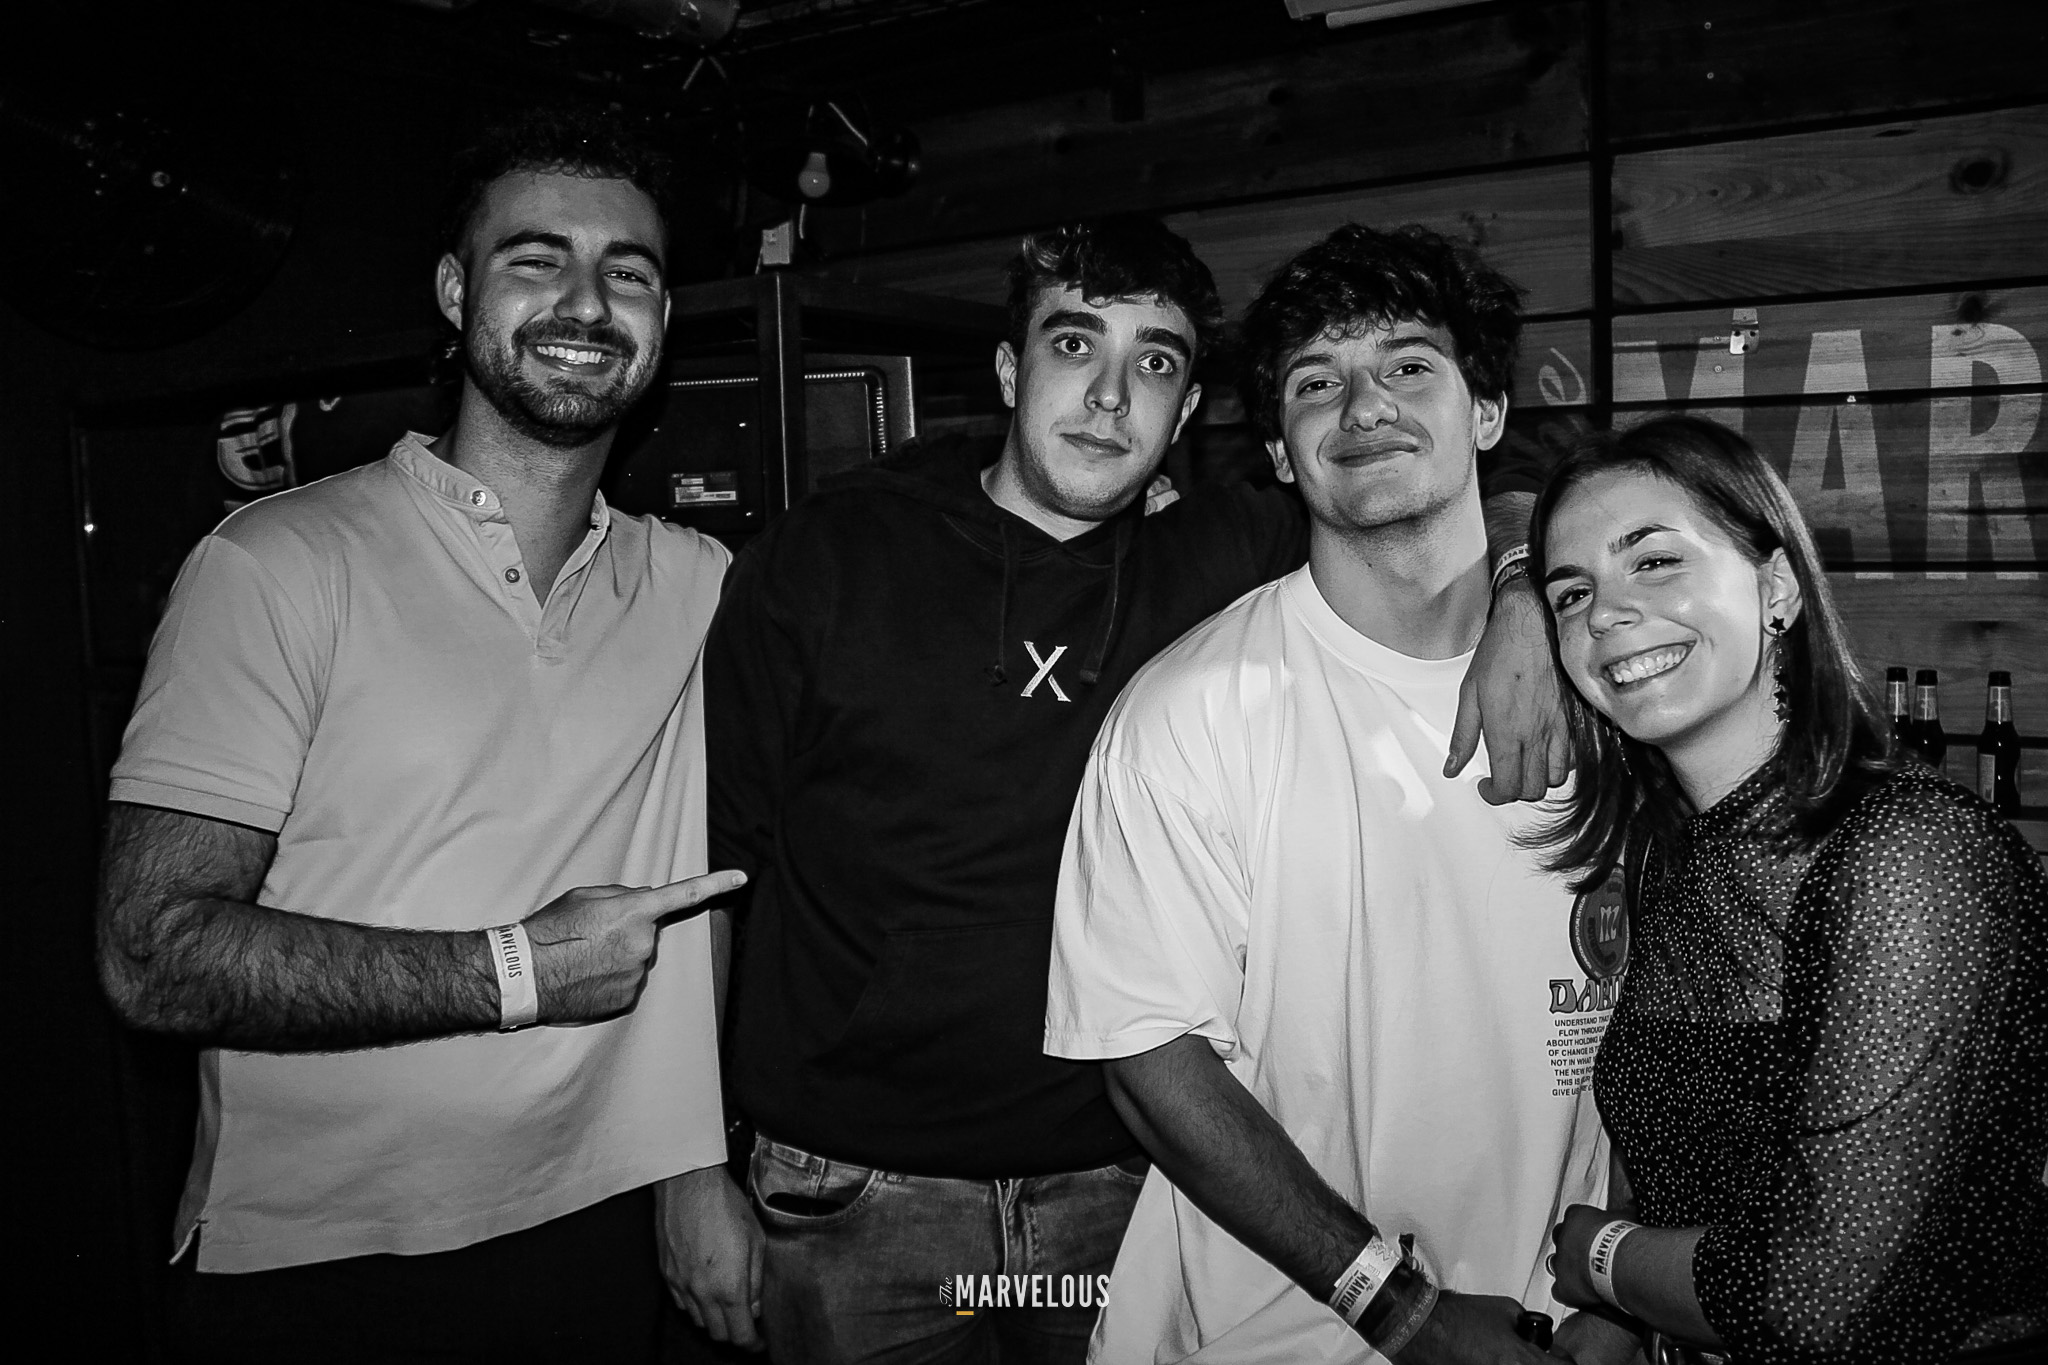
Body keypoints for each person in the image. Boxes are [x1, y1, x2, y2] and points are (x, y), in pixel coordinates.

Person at [705, 216, 1568, 1364]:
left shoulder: (1218, 550)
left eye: (1152, 362)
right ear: (1008, 368)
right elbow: (709, 871)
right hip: (852, 1197)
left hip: (1116, 1194)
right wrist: (684, 1168)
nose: (1109, 397)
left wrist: (1527, 593)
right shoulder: (827, 557)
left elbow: (1469, 478)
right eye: (1073, 346)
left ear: (1188, 408)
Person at [94, 108, 755, 1364]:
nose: (586, 301)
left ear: (664, 321)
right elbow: (152, 951)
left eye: (627, 273)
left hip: (599, 1235)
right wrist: (516, 971)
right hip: (322, 1261)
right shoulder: (275, 565)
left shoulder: (698, 585)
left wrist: (692, 1164)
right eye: (535, 259)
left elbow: (707, 883)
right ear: (456, 294)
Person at [1042, 222, 1629, 1365]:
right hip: (1277, 1338)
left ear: (1487, 414)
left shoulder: (1613, 687)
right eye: (1317, 383)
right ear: (1276, 450)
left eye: (1408, 365)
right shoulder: (1188, 715)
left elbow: (1668, 1009)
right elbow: (1150, 1066)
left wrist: (1617, 1292)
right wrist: (1397, 1309)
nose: (1364, 406)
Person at [1531, 416, 2048, 1364]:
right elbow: (1686, 1154)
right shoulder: (1677, 857)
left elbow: (1824, 1300)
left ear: (1775, 590)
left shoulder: (1908, 857)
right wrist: (1617, 1323)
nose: (1605, 614)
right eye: (1572, 593)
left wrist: (1605, 1262)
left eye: (1654, 561)